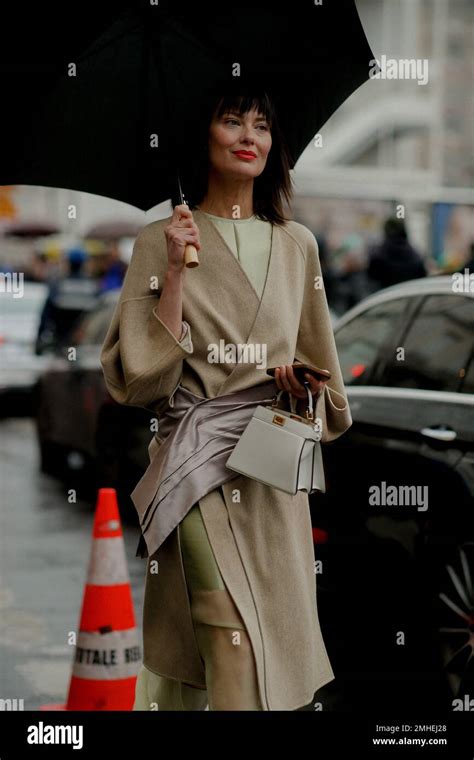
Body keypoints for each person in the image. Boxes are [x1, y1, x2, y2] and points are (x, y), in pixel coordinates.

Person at [100, 89, 353, 711]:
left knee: (270, 650)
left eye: (263, 124)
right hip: (195, 470)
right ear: (203, 135)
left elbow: (333, 399)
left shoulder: (299, 246)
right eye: (232, 119)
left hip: (270, 472)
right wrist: (176, 274)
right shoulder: (159, 239)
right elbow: (139, 383)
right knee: (231, 641)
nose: (250, 135)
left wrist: (301, 386)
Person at [367, 217, 427, 291]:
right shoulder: (416, 255)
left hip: (386, 298)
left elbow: (371, 281)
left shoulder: (378, 255)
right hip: (410, 297)